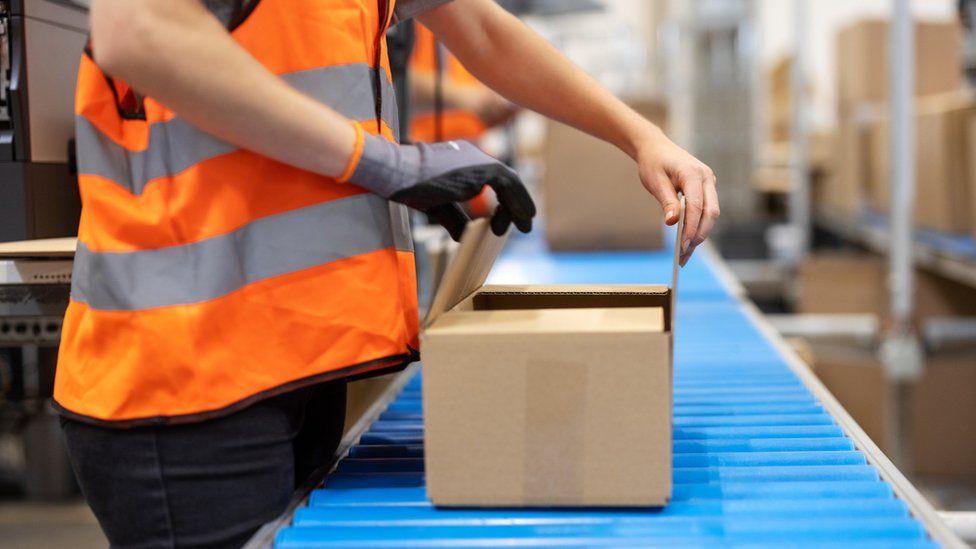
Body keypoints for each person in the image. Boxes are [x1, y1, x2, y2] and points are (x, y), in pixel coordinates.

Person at [58, 0, 719, 547]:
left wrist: (641, 137)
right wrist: (387, 164)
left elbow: (480, 27)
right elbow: (137, 31)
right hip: (185, 379)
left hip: (294, 362)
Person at [408, 21, 519, 216]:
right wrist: (466, 97)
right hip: (419, 157)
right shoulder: (412, 15)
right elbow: (391, 74)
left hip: (467, 152)